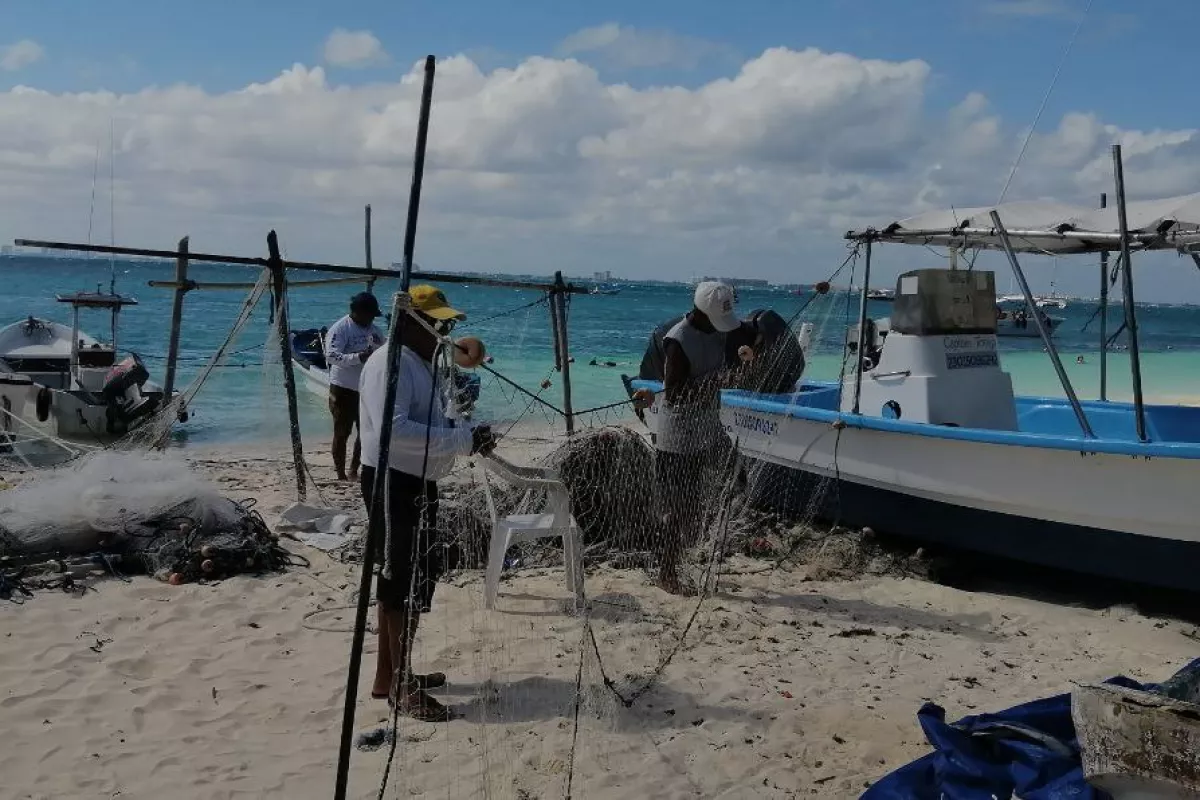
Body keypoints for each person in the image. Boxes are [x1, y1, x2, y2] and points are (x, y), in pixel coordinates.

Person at [358, 284, 496, 721]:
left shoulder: (422, 363)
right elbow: (392, 431)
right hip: (391, 483)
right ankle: (400, 687)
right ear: (411, 322)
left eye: (447, 322)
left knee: (416, 578)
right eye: (436, 321)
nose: (444, 329)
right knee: (399, 581)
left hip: (417, 482)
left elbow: (430, 423)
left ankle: (392, 674)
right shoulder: (391, 363)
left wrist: (466, 432)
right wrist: (459, 438)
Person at [653, 281, 744, 595]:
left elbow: (739, 338)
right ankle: (667, 574)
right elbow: (674, 394)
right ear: (700, 312)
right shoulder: (677, 341)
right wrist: (714, 381)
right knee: (681, 509)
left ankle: (681, 561)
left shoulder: (715, 330)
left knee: (735, 479)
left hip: (708, 426)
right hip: (679, 435)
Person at [324, 292, 386, 481]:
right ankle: (340, 473)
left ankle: (354, 470)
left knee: (366, 431)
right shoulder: (340, 329)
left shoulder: (375, 331)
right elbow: (331, 356)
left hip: (366, 389)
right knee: (342, 432)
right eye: (369, 315)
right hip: (343, 388)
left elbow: (382, 351)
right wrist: (358, 357)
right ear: (357, 312)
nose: (371, 320)